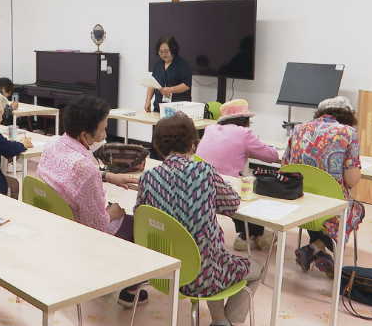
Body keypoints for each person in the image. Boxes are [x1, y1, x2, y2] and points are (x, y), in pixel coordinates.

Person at [136, 113, 261, 326]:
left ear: (159, 147)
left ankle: (220, 318)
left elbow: (141, 217)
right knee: (255, 267)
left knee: (204, 251)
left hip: (164, 273)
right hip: (207, 276)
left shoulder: (147, 177)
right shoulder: (204, 171)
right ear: (193, 144)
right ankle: (228, 322)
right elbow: (232, 204)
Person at [35, 96, 143, 308]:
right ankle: (128, 289)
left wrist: (106, 176)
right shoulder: (84, 167)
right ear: (86, 135)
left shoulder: (53, 143)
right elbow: (97, 226)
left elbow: (71, 176)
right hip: (77, 234)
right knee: (137, 224)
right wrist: (112, 212)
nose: (105, 134)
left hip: (52, 222)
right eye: (102, 129)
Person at [284, 96, 363, 278]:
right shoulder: (348, 133)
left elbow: (285, 167)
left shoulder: (297, 130)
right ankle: (315, 249)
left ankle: (316, 252)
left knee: (316, 200)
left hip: (300, 205)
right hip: (330, 209)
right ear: (348, 115)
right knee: (356, 209)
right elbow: (351, 180)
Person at [196, 99, 279, 251]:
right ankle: (250, 236)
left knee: (240, 180)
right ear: (246, 120)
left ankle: (252, 235)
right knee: (253, 186)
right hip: (226, 191)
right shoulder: (244, 133)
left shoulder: (210, 129)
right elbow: (271, 157)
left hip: (201, 186)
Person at [144, 36, 192, 113]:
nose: (163, 54)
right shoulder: (158, 64)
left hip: (177, 109)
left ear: (173, 49)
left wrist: (170, 90)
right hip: (159, 107)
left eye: (166, 51)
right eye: (160, 52)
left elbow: (186, 85)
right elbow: (152, 83)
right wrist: (148, 100)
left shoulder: (183, 64)